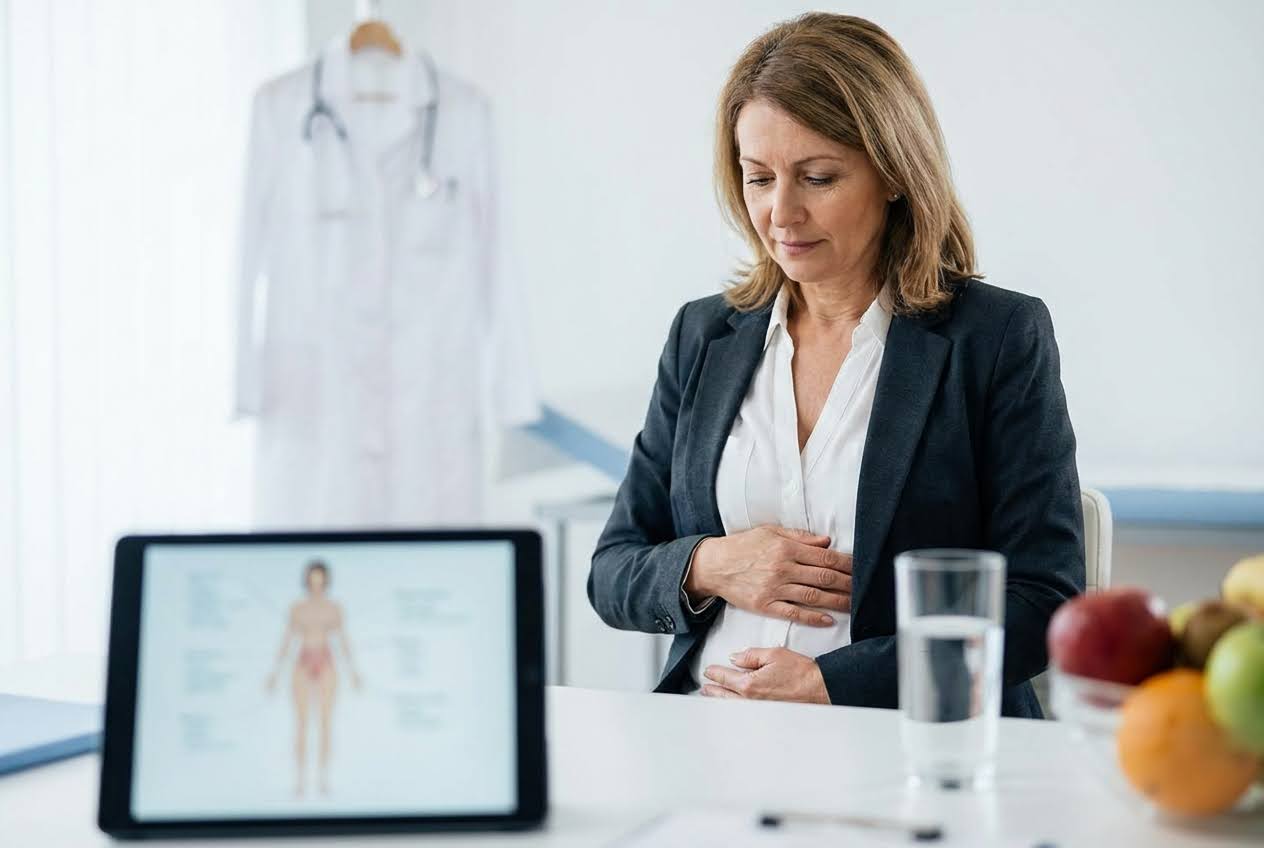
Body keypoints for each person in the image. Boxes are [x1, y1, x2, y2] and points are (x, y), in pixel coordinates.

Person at [587, 12, 1084, 717]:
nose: (781, 213)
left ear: (892, 174)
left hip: (902, 738)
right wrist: (712, 565)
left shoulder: (996, 337)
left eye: (817, 177)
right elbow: (613, 572)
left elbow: (1044, 600)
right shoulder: (704, 335)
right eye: (758, 179)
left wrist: (834, 682)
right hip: (709, 729)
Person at [266, 560, 361, 795]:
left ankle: (322, 779)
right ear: (307, 580)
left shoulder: (334, 608)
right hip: (302, 663)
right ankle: (299, 781)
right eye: (312, 580)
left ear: (325, 581)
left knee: (325, 723)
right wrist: (274, 673)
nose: (316, 584)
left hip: (327, 663)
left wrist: (353, 672)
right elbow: (287, 640)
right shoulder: (297, 608)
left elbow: (343, 640)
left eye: (320, 580)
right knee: (301, 724)